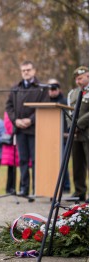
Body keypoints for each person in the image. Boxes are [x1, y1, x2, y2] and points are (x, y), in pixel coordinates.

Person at [5, 61, 49, 196]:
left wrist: (31, 120)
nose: (26, 72)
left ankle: (37, 189)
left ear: (34, 71)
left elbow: (45, 106)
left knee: (36, 160)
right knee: (23, 160)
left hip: (35, 129)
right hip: (19, 130)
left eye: (28, 70)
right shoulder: (15, 88)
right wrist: (16, 120)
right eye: (23, 70)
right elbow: (9, 107)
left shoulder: (42, 88)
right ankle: (24, 188)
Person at [67, 66, 89, 201]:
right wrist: (71, 126)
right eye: (76, 79)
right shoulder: (72, 93)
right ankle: (79, 191)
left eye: (80, 78)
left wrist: (78, 124)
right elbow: (68, 111)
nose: (78, 81)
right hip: (75, 134)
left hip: (87, 132)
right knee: (77, 163)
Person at [47, 78, 71, 193]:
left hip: (63, 136)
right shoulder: (45, 103)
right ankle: (50, 186)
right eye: (49, 89)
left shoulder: (65, 102)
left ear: (59, 89)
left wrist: (68, 132)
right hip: (49, 137)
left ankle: (66, 187)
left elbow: (69, 119)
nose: (51, 91)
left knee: (62, 161)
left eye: (54, 88)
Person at [0, 112, 20, 194]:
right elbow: (8, 127)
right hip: (12, 143)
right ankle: (11, 188)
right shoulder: (9, 113)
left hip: (16, 142)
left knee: (18, 167)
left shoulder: (8, 113)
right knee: (12, 168)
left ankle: (19, 188)